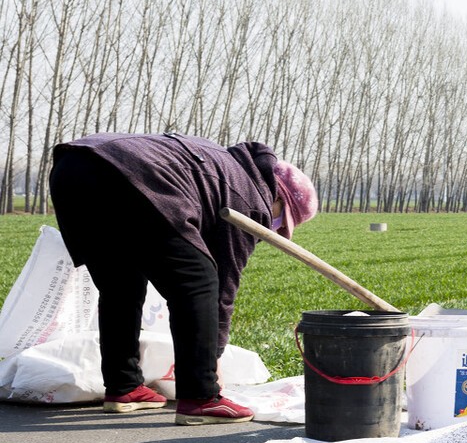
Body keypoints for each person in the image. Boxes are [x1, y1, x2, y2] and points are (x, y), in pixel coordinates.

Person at [48, 132, 318, 425]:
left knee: (121, 285)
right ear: (277, 196)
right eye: (280, 219)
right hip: (131, 175)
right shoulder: (252, 199)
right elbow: (222, 287)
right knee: (199, 283)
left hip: (72, 168)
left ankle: (124, 388)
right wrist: (211, 363)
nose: (273, 226)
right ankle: (200, 398)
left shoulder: (228, 167)